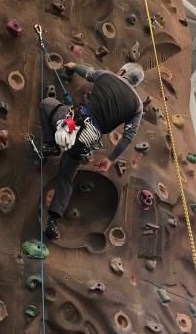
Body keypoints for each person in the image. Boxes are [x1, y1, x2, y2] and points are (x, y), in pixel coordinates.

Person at [39, 62, 144, 240]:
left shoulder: (108, 76)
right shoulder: (137, 106)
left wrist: (73, 66)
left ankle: (51, 145)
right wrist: (110, 159)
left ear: (122, 71)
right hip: (89, 139)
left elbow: (88, 72)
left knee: (47, 104)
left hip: (73, 122)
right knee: (66, 177)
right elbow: (128, 136)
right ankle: (53, 222)